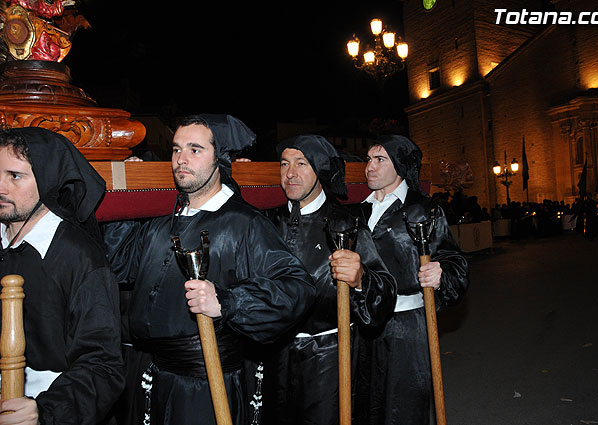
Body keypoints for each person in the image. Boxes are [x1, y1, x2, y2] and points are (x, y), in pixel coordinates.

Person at [102, 114, 316, 425]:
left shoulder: (244, 223)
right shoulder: (163, 221)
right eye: (176, 150)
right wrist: (127, 199)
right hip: (150, 377)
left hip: (204, 386)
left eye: (195, 150)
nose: (181, 160)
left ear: (220, 159)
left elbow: (298, 287)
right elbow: (120, 265)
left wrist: (228, 302)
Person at [261, 134, 397, 425]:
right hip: (275, 357)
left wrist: (361, 278)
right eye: (284, 164)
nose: (290, 173)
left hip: (329, 358)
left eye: (301, 163)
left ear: (321, 170)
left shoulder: (347, 224)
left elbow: (385, 292)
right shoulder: (266, 224)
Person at [0, 127, 125, 424]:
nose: (1, 187)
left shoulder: (80, 257)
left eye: (14, 176)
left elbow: (103, 366)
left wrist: (46, 410)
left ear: (48, 180)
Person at [351, 135, 469, 425]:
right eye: (368, 159)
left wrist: (441, 273)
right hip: (362, 326)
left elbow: (455, 260)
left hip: (407, 326)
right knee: (365, 406)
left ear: (401, 166)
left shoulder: (425, 211)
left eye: (380, 160)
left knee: (404, 407)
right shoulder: (357, 212)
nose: (370, 167)